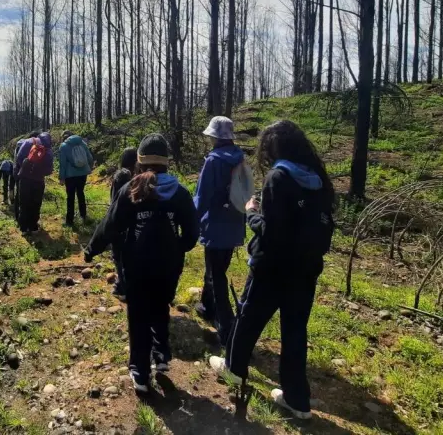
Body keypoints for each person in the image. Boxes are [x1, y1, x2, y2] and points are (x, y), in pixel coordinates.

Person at [212, 120, 335, 420]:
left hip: (271, 267)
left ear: (273, 148)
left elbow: (272, 232)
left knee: (248, 318)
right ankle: (297, 399)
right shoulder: (318, 179)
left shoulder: (278, 177)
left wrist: (252, 213)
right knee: (294, 332)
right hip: (306, 270)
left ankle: (234, 370)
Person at [84, 134, 198, 394]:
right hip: (168, 267)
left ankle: (140, 372)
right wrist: (176, 249)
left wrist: (92, 249)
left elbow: (110, 226)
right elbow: (192, 234)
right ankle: (162, 356)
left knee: (138, 316)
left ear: (140, 160)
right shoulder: (179, 193)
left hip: (136, 266)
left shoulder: (131, 190)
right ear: (168, 162)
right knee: (160, 308)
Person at [193, 116, 251, 352]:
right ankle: (207, 306)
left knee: (217, 276)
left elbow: (202, 197)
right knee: (218, 269)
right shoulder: (240, 158)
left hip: (215, 225)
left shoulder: (214, 161)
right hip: (235, 224)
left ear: (215, 137)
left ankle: (227, 328)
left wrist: (190, 221)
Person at [86, 147, 137, 299]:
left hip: (120, 222)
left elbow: (116, 201)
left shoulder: (121, 176)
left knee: (119, 256)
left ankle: (123, 287)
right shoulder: (140, 175)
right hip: (135, 224)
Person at [15, 131, 54, 232]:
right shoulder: (49, 150)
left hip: (25, 179)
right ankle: (33, 226)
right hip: (39, 181)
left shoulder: (28, 142)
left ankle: (23, 227)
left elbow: (19, 159)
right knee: (36, 203)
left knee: (24, 202)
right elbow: (49, 170)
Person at [58, 130, 94, 225]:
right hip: (83, 174)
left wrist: (61, 177)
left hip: (70, 176)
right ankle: (83, 215)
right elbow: (90, 158)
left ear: (63, 138)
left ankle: (69, 221)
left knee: (70, 197)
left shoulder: (63, 146)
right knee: (81, 193)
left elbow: (63, 164)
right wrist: (89, 167)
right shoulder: (82, 143)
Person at [12, 131, 40, 220]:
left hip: (17, 171)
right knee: (28, 197)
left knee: (19, 195)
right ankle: (27, 219)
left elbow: (17, 160)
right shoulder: (31, 146)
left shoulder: (20, 144)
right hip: (26, 174)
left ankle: (18, 216)